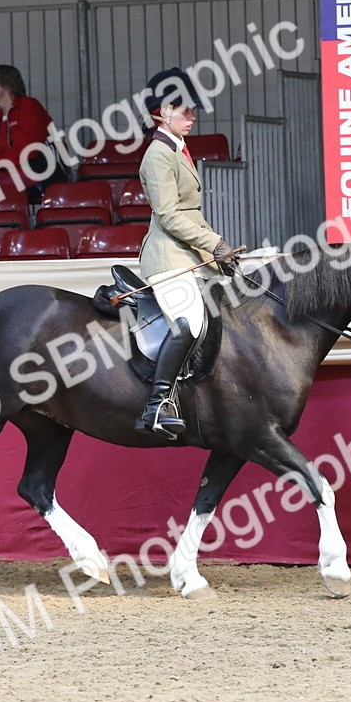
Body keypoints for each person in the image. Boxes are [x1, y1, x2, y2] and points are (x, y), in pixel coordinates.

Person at [135, 67, 237, 439]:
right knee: (190, 321)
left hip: (189, 255)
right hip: (167, 257)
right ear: (160, 112)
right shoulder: (158, 155)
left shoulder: (178, 150)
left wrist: (218, 248)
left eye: (193, 111)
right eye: (184, 110)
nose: (192, 117)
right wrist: (213, 244)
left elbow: (192, 213)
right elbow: (169, 216)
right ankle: (158, 404)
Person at [0, 64, 66, 202]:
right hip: (15, 176)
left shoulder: (29, 107)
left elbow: (27, 151)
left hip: (42, 176)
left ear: (5, 84)